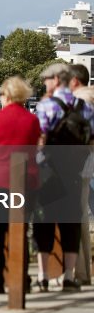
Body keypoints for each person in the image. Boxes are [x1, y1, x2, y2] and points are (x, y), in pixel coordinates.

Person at [33, 62, 94, 292]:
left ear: (57, 79)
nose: (44, 83)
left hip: (49, 171)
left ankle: (43, 275)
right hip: (76, 172)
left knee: (44, 222)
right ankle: (70, 275)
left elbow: (39, 138)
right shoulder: (84, 107)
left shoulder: (47, 105)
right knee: (71, 222)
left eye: (46, 79)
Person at [0, 76, 41, 293]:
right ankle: (20, 277)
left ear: (5, 95)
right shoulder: (32, 120)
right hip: (25, 181)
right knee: (19, 230)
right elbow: (36, 146)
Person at [67, 64, 93, 285]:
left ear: (74, 80)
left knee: (77, 214)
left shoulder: (80, 102)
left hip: (82, 162)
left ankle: (82, 272)